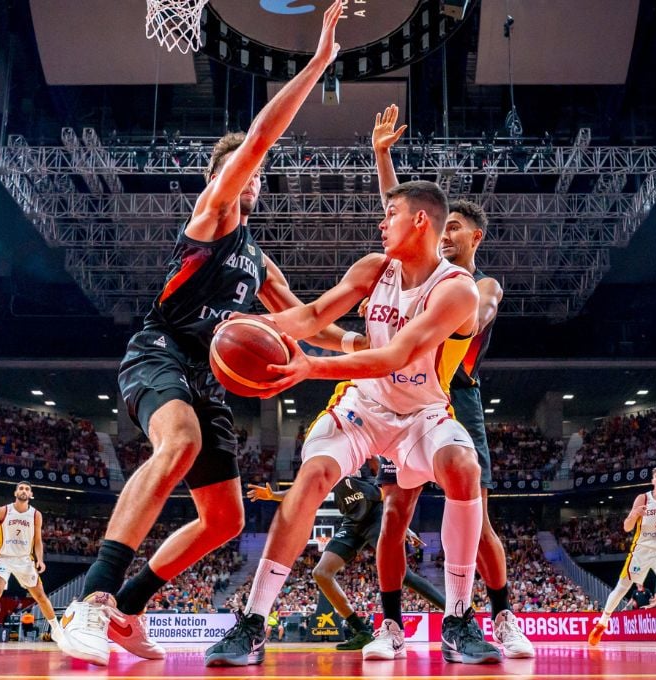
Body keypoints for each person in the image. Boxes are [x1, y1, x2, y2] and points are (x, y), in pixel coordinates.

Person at [58, 0, 358, 666]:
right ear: (225, 178)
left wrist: (365, 349)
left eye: (251, 178)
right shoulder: (213, 212)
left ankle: (129, 609)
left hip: (206, 376)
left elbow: (307, 322)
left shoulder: (259, 261)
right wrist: (317, 64)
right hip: (160, 352)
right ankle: (92, 599)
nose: (248, 180)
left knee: (225, 519)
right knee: (181, 442)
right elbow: (256, 143)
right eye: (239, 172)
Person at [204, 178, 500, 666]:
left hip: (422, 412)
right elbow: (313, 315)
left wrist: (311, 367)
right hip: (363, 405)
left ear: (419, 220)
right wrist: (246, 327)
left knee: (463, 467)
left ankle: (459, 619)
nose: (381, 225)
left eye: (391, 215)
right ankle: (253, 621)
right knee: (313, 476)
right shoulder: (372, 268)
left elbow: (396, 354)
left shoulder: (458, 291)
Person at [369, 104, 532, 660]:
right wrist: (384, 158)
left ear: (474, 237)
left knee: (476, 515)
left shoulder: (478, 286)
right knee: (397, 512)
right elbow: (404, 219)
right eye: (443, 228)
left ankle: (500, 616)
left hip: (456, 395)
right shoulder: (423, 270)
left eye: (455, 229)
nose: (445, 236)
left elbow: (482, 308)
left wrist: (463, 325)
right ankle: (389, 626)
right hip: (405, 391)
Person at [245, 462, 446, 651]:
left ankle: (453, 613)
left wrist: (403, 527)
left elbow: (391, 493)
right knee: (322, 573)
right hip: (352, 523)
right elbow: (302, 493)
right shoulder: (331, 464)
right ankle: (361, 631)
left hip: (377, 518)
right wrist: (273, 496)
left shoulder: (368, 455)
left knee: (403, 575)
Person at [587, 467, 656, 648]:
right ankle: (602, 623)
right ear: (652, 481)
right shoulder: (643, 498)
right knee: (622, 587)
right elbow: (627, 527)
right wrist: (635, 514)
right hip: (641, 550)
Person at [0, 482, 63, 648]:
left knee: (40, 595)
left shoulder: (35, 515)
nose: (24, 491)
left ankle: (57, 631)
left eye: (27, 489)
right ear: (15, 492)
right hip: (4, 558)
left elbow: (38, 541)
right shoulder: (2, 511)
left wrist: (39, 559)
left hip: (25, 559)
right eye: (21, 488)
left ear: (31, 494)